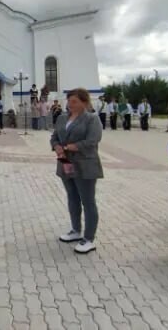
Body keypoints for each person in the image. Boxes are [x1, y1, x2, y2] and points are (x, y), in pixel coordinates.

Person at [51, 88, 103, 254]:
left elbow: (93, 140)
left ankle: (88, 238)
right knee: (72, 198)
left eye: (74, 101)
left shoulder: (91, 119)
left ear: (84, 102)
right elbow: (54, 137)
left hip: (85, 165)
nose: (70, 105)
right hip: (65, 162)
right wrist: (57, 146)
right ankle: (75, 230)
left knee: (87, 201)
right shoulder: (62, 118)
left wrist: (73, 146)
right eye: (69, 101)